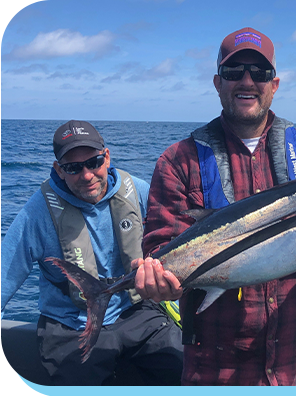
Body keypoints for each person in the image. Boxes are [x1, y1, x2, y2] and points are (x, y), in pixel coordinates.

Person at [131, 27, 296, 386]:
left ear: (274, 84)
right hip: (216, 374)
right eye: (234, 72)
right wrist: (160, 282)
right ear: (217, 83)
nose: (247, 81)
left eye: (259, 73)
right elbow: (159, 249)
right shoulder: (178, 161)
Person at [1, 120, 183, 386]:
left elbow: (175, 237)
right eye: (73, 168)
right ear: (58, 170)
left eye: (94, 162)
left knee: (188, 370)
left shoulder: (138, 191)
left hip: (135, 312)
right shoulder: (36, 213)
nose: (86, 175)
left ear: (107, 157)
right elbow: (6, 272)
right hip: (70, 324)